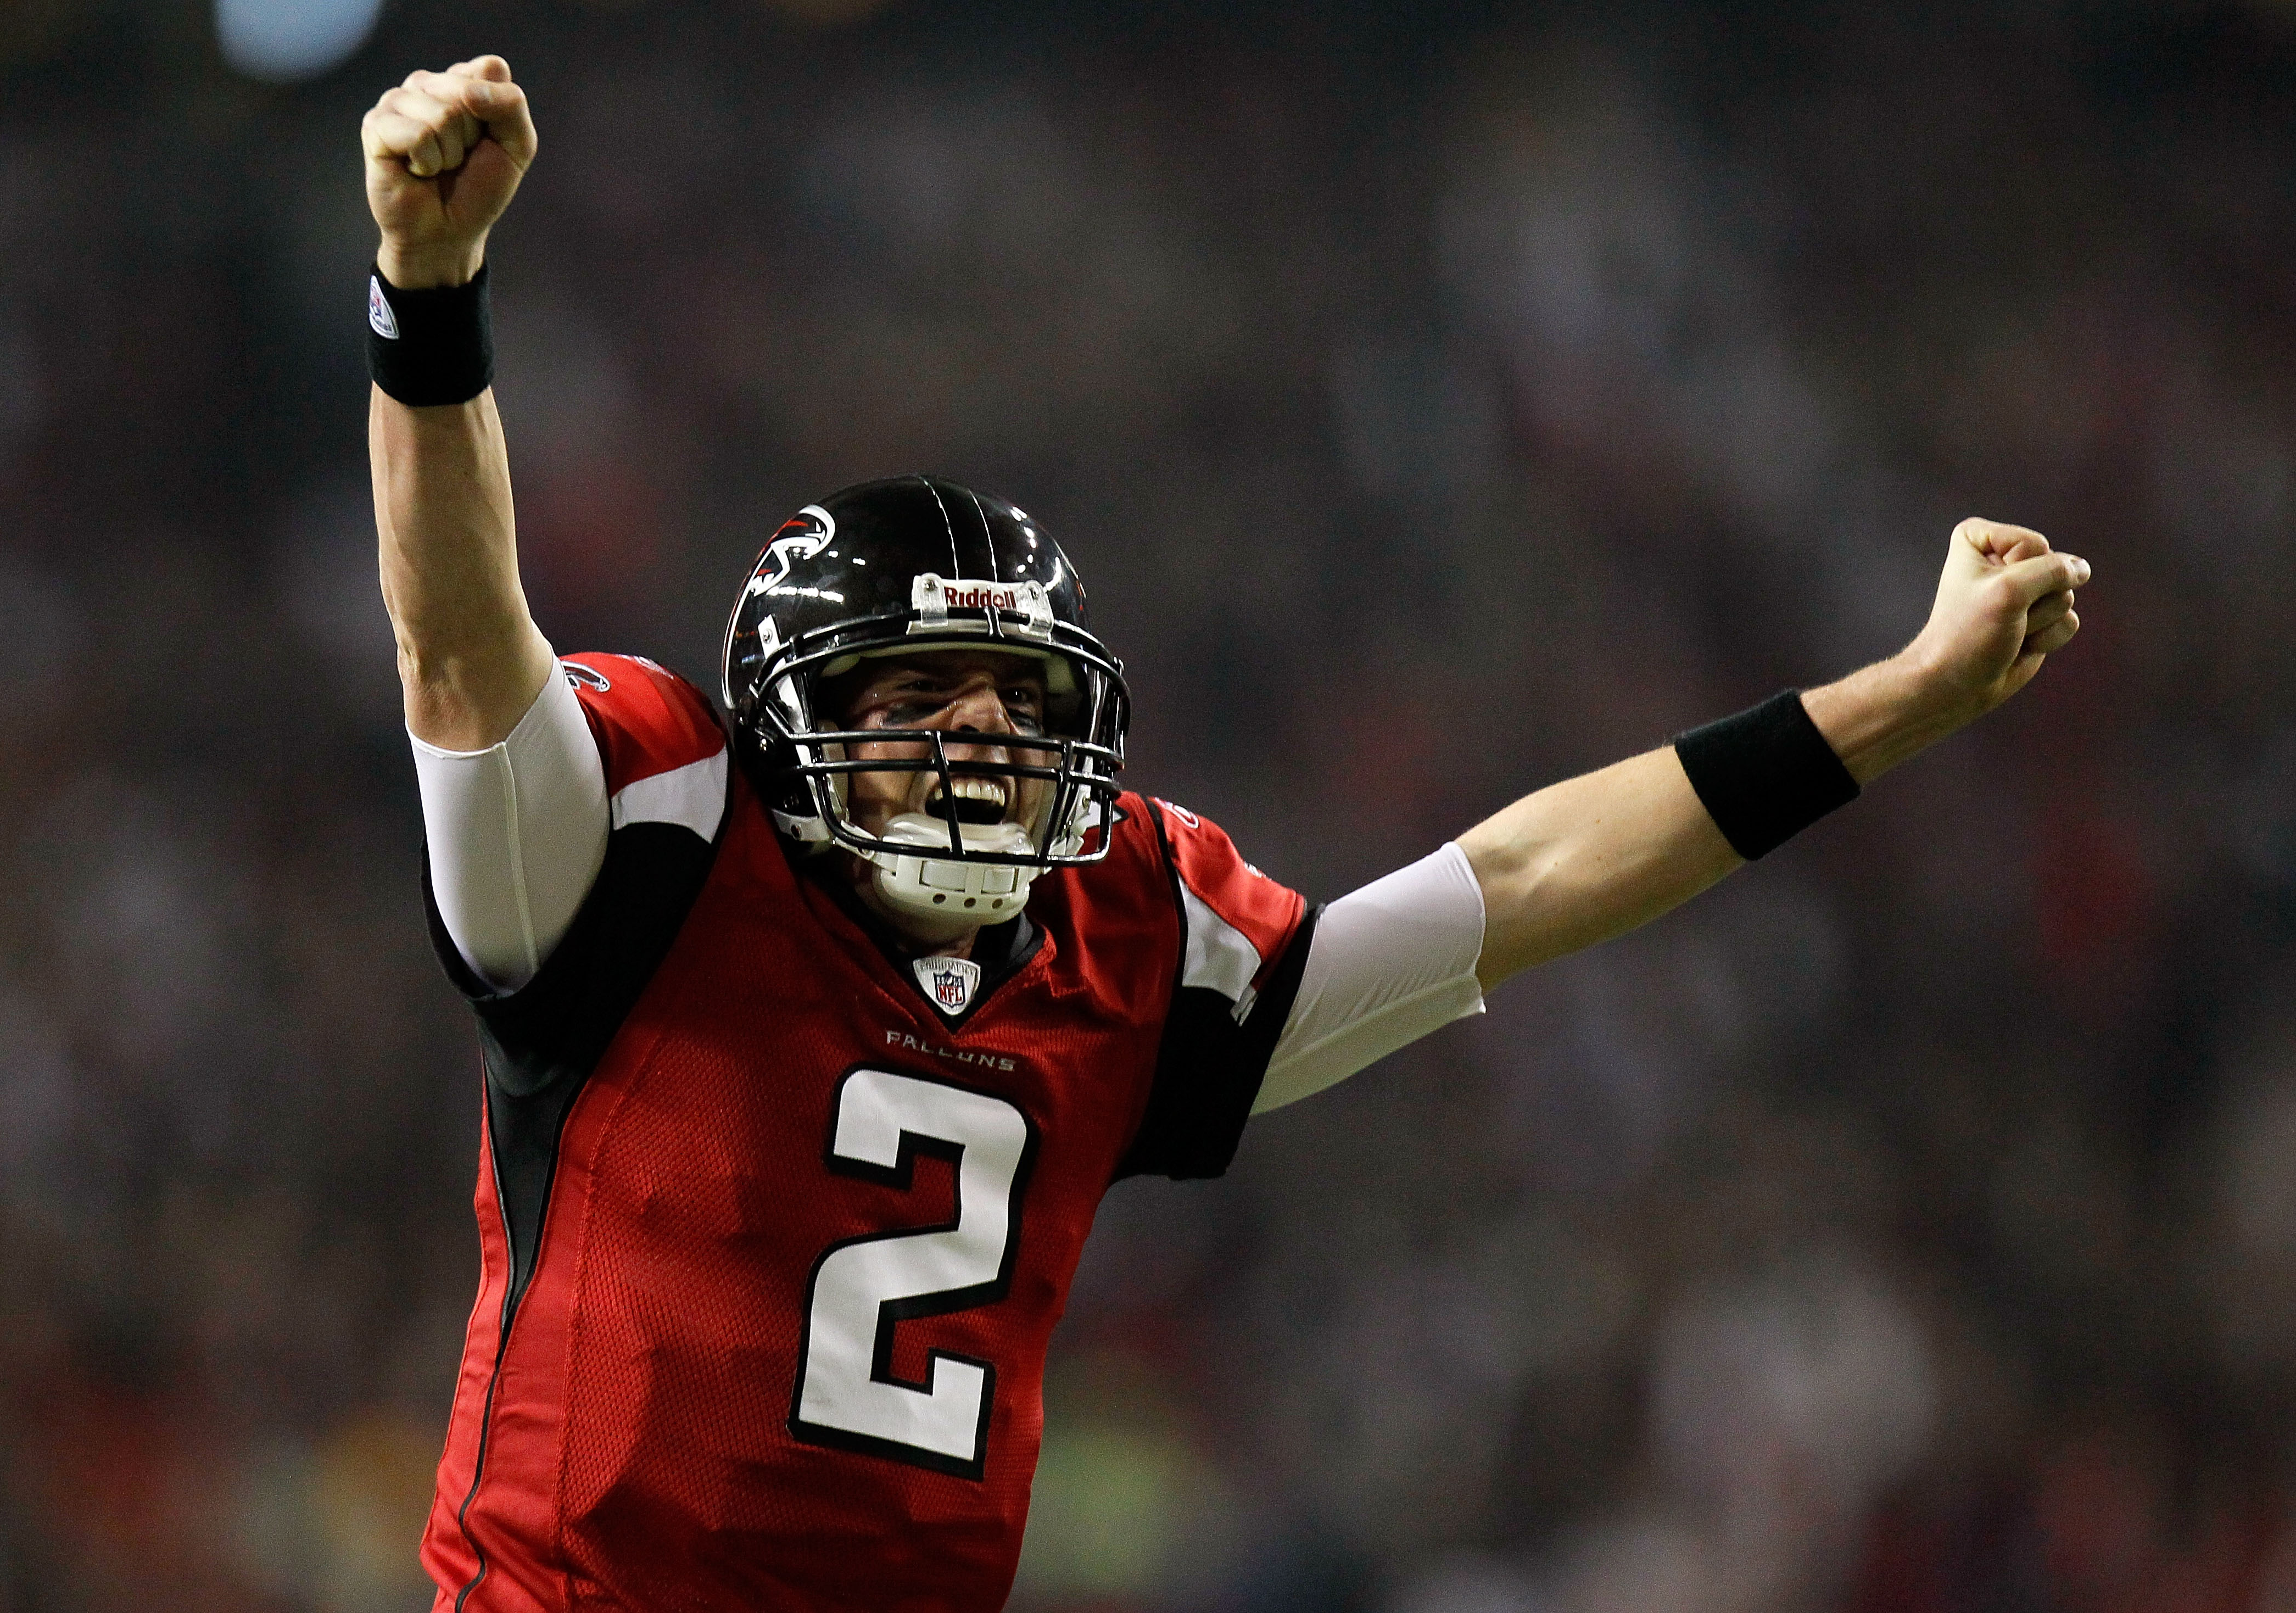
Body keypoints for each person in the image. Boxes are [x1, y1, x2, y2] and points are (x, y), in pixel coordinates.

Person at [361, 55, 2090, 1613]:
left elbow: (1525, 879)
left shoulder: (1127, 935)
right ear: (794, 704)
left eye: (1021, 699)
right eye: (927, 685)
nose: (983, 734)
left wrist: (1902, 698)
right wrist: (428, 298)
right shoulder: (652, 842)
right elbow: (458, 642)